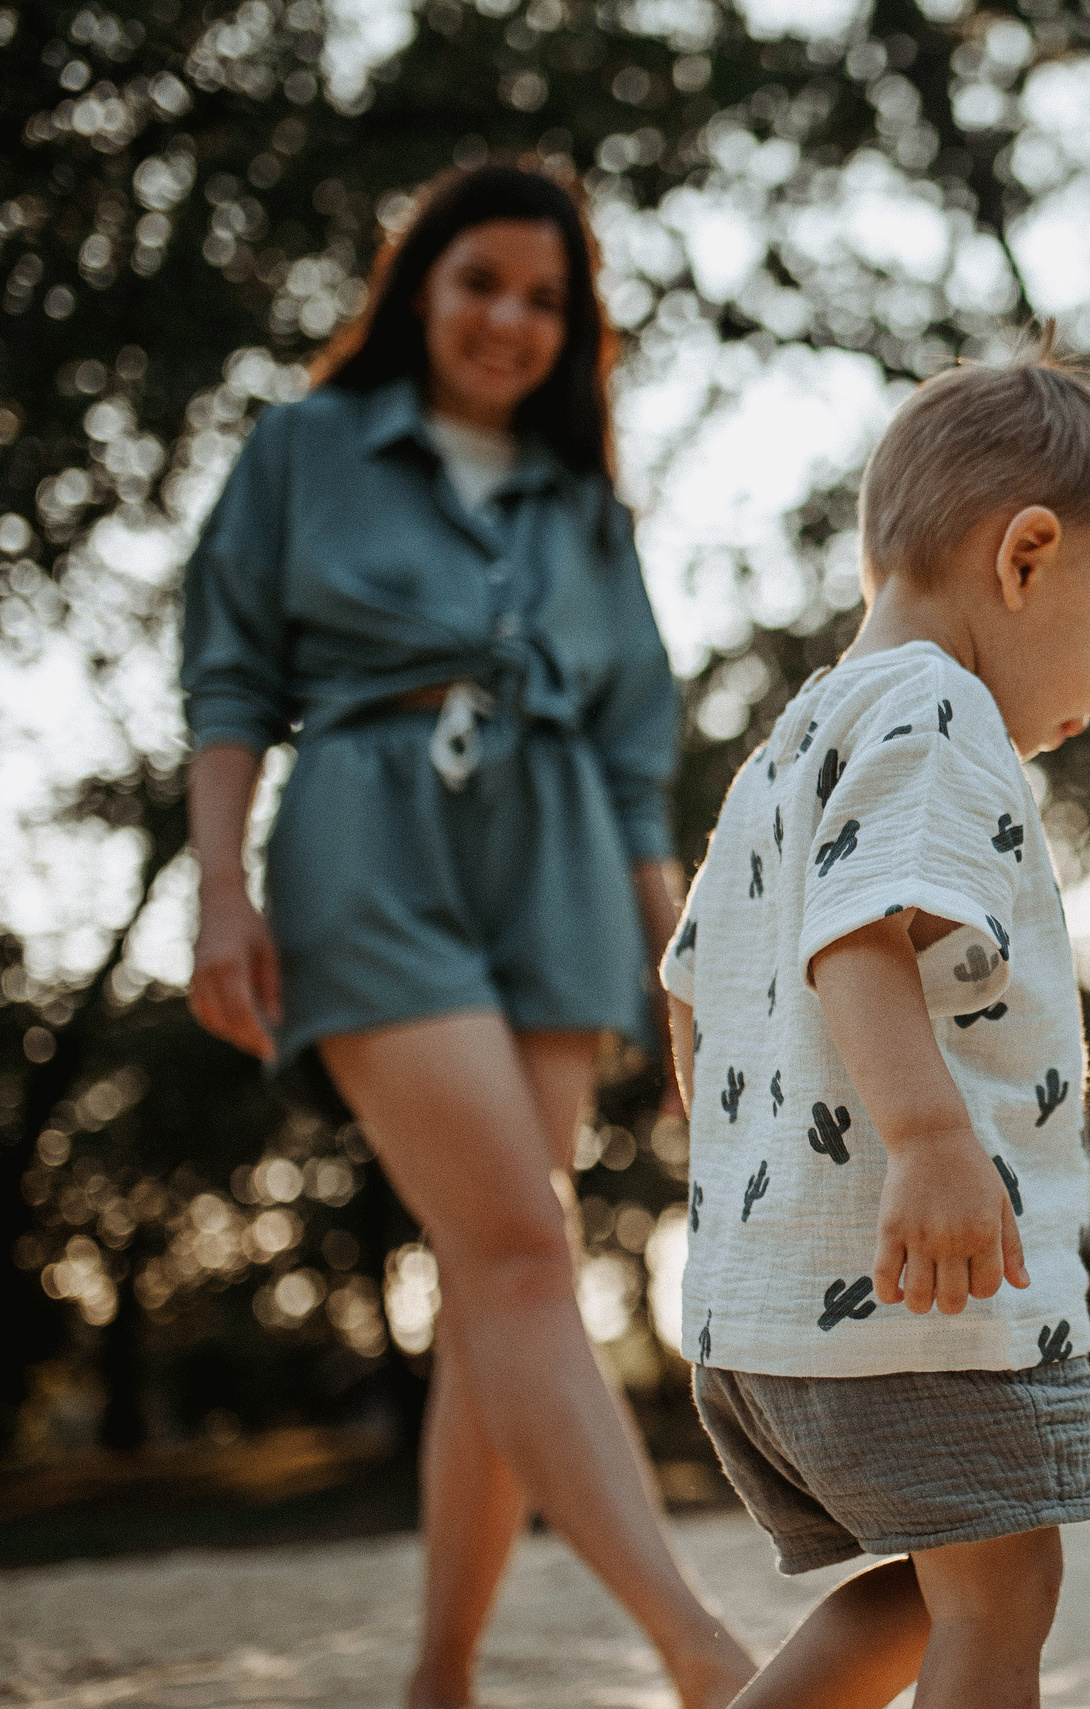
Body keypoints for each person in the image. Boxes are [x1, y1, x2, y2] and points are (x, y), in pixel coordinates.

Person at [182, 162, 755, 1709]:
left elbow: (633, 757)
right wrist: (221, 887)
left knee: (500, 1277)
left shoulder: (586, 507)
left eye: (543, 299)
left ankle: (439, 1678)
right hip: (367, 833)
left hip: (559, 853)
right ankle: (703, 1652)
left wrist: (680, 962)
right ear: (419, 288)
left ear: (575, 330)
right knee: (519, 1249)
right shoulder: (306, 448)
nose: (509, 318)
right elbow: (233, 676)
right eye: (479, 281)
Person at [661, 329, 1090, 1709]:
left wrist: (750, 1197)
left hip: (771, 1308)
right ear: (1026, 557)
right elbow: (856, 934)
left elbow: (695, 992)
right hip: (916, 1298)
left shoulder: (789, 746)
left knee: (950, 1583)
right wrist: (927, 1138)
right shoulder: (938, 709)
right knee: (1001, 1592)